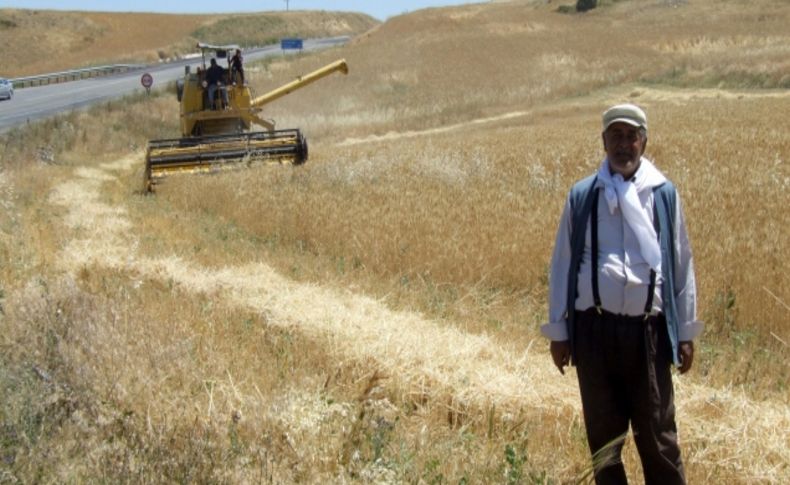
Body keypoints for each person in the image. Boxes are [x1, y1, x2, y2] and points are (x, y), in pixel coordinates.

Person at [542, 103, 702, 485]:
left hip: (648, 336)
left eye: (631, 136)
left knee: (659, 439)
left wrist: (686, 334)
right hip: (594, 333)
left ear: (644, 143)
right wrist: (559, 333)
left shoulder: (663, 194)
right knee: (604, 442)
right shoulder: (583, 196)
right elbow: (562, 264)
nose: (624, 144)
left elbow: (680, 263)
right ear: (603, 141)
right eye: (616, 135)